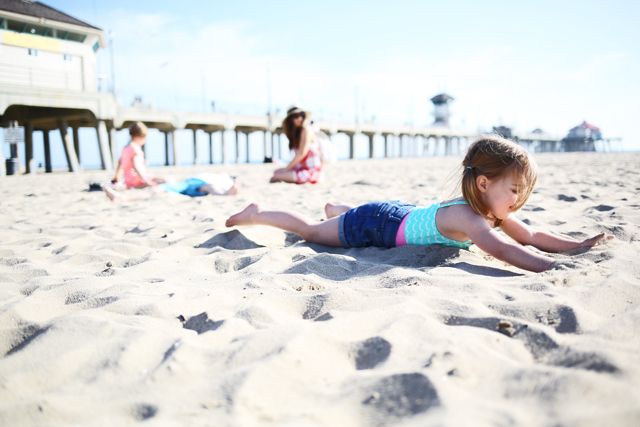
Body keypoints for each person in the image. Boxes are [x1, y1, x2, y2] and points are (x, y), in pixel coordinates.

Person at [226, 135, 613, 273]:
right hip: (376, 225)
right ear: (483, 183)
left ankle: (339, 210)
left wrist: (576, 247)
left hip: (397, 215)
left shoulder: (488, 209)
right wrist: (549, 267)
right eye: (513, 190)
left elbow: (530, 235)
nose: (518, 200)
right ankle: (258, 214)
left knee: (353, 216)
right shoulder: (469, 216)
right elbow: (503, 249)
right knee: (309, 232)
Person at [270, 105, 324, 184]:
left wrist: (286, 169)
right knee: (276, 172)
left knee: (276, 177)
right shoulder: (297, 133)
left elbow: (301, 153)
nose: (300, 118)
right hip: (301, 168)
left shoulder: (306, 129)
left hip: (312, 172)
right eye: (295, 116)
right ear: (290, 119)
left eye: (302, 115)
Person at [112, 122, 174, 188]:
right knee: (169, 179)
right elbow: (136, 166)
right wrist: (146, 180)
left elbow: (120, 162)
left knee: (163, 180)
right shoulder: (135, 148)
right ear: (141, 136)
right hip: (137, 180)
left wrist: (116, 176)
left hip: (128, 181)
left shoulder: (125, 148)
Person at [105, 172, 241, 202]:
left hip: (197, 185)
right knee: (160, 186)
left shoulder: (227, 180)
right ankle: (123, 196)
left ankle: (122, 197)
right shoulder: (218, 175)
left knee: (210, 187)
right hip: (189, 183)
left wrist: (230, 186)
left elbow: (214, 187)